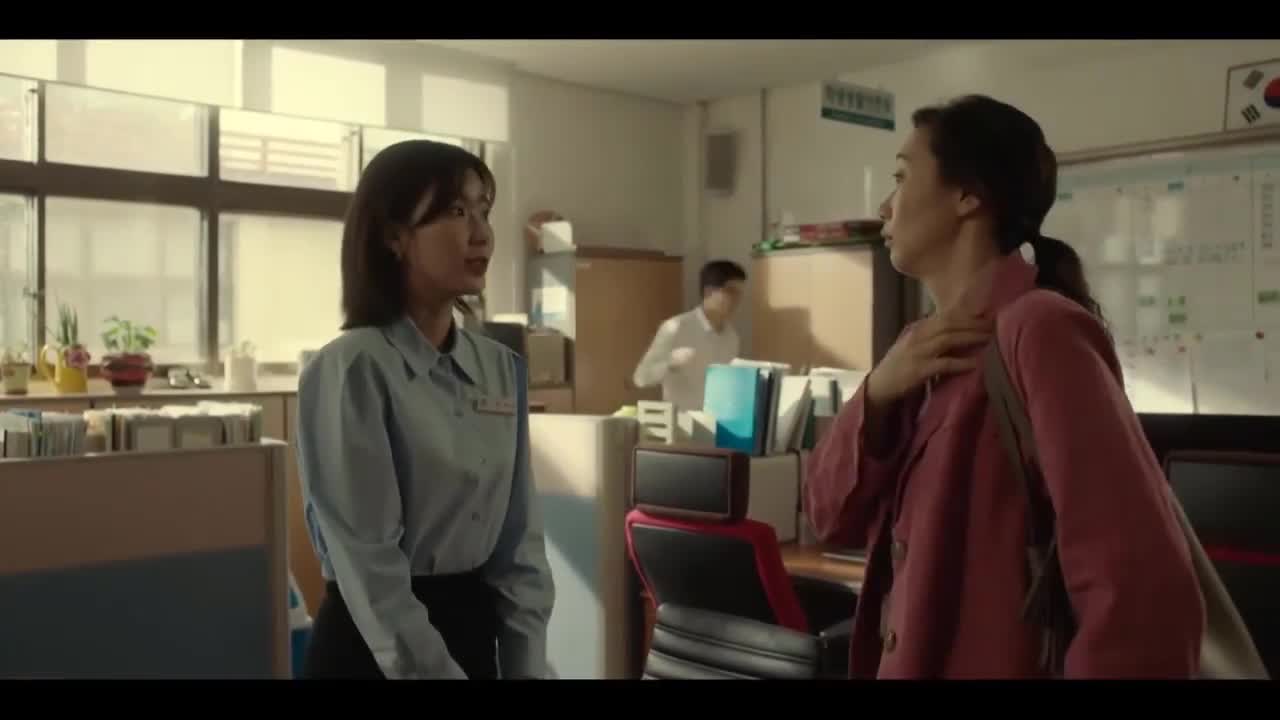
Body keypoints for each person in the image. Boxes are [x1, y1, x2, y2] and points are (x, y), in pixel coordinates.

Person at [803, 95, 1204, 679]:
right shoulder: (918, 350)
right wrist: (878, 393)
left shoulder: (1039, 328)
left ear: (969, 195)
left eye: (901, 177)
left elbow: (1138, 586)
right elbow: (828, 516)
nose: (885, 206)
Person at [295, 140, 555, 679]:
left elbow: (519, 545)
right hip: (374, 648)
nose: (481, 233)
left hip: (473, 633)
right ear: (394, 236)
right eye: (456, 211)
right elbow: (369, 565)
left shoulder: (501, 368)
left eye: (484, 210)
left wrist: (527, 666)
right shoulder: (352, 368)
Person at [632, 260, 745, 411]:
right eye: (731, 291)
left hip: (718, 421)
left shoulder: (732, 337)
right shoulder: (675, 327)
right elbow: (641, 378)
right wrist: (670, 362)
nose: (737, 299)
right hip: (681, 422)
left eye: (739, 293)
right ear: (709, 291)